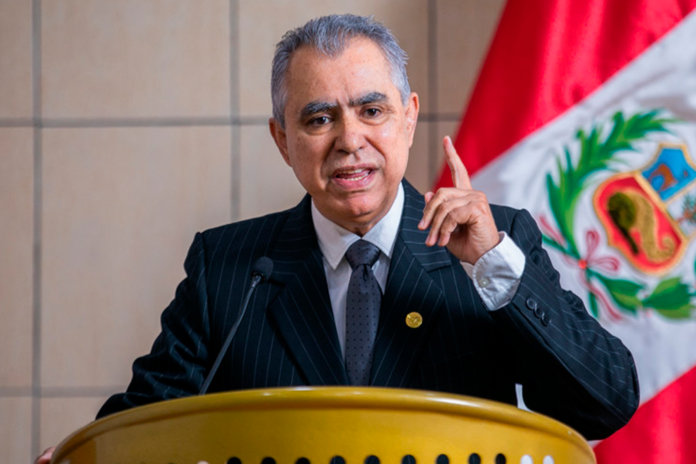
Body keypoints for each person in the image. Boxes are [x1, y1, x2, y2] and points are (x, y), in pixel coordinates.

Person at [36, 13, 639, 463]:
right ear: (283, 140)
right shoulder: (228, 266)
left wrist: (493, 265)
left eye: (372, 111)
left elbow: (604, 403)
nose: (350, 140)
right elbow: (144, 424)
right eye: (319, 118)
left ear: (409, 117)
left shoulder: (495, 242)